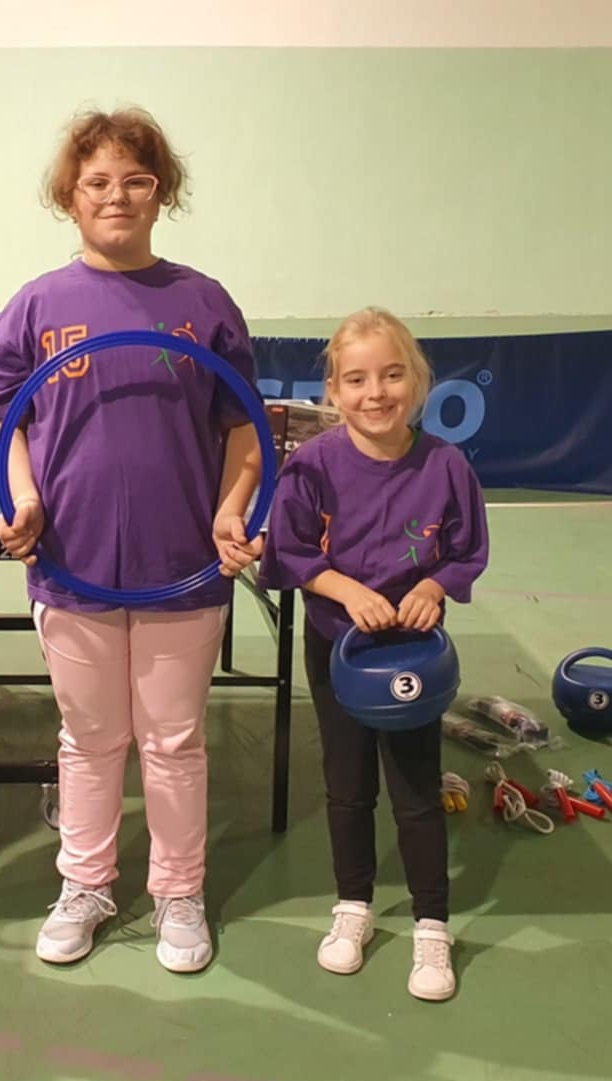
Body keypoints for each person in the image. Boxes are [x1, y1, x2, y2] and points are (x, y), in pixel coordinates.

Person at [0, 106, 263, 973]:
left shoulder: (204, 302)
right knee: (90, 739)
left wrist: (232, 509)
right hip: (73, 565)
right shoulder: (36, 305)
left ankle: (179, 892)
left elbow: (244, 428)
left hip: (183, 568)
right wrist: (23, 496)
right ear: (69, 195)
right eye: (96, 181)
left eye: (136, 181)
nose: (116, 196)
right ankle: (86, 884)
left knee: (173, 741)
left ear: (161, 193)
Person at [257, 306, 488, 998]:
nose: (375, 393)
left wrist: (434, 586)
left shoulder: (446, 465)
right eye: (356, 380)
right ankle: (352, 905)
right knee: (348, 786)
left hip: (413, 656)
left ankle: (431, 924)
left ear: (417, 381)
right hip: (339, 649)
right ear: (333, 390)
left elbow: (466, 552)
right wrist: (346, 591)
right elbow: (290, 551)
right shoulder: (311, 466)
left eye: (391, 375)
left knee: (416, 791)